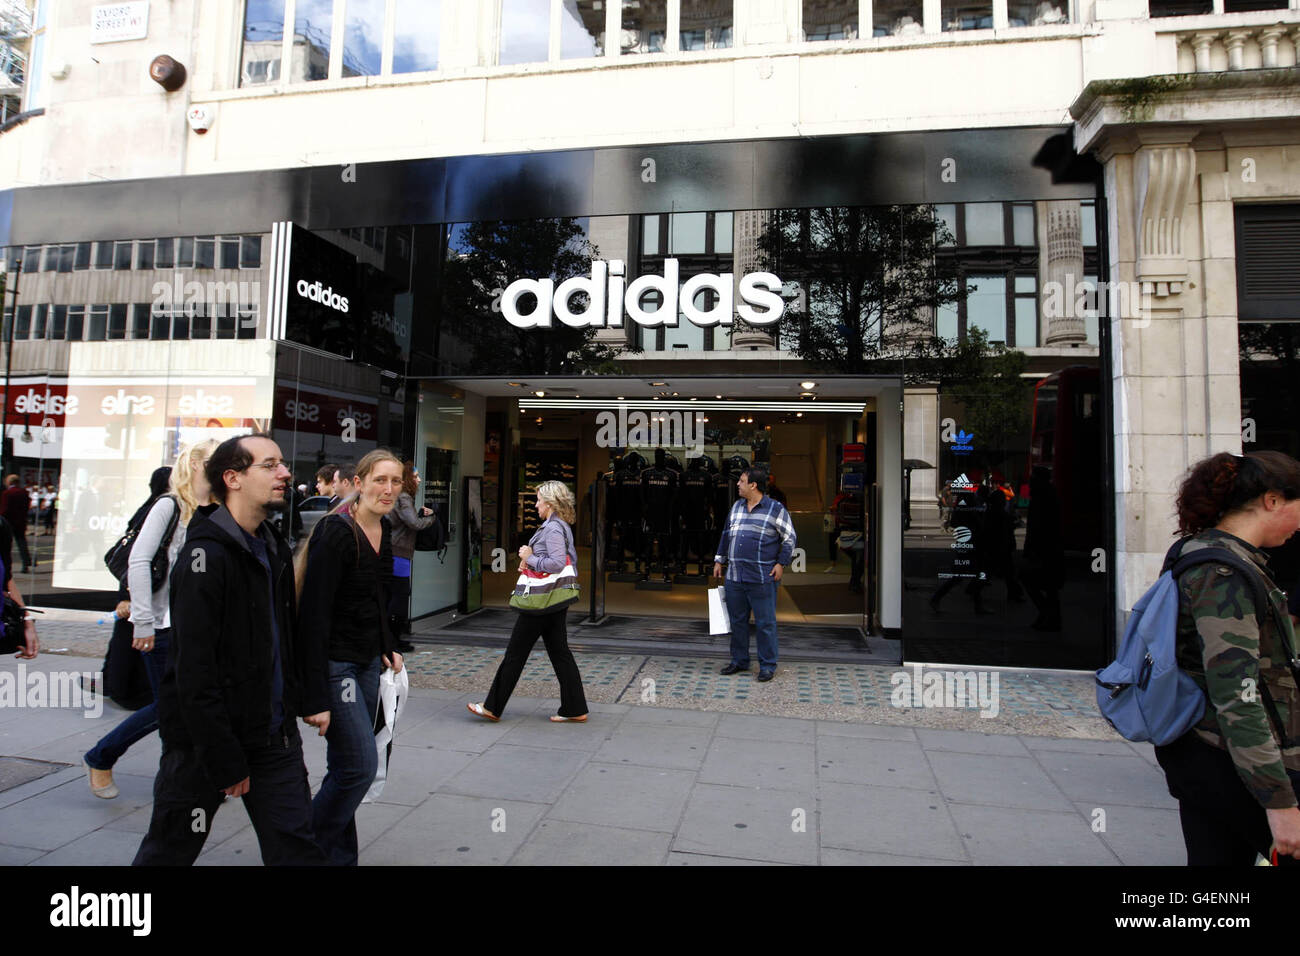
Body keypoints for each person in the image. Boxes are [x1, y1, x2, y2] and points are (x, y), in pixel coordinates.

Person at [133, 434, 328, 866]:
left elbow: (286, 636)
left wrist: (309, 698)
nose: (284, 474)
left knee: (298, 849)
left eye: (282, 464)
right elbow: (194, 670)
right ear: (233, 478)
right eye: (270, 465)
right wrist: (223, 757)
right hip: (204, 746)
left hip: (273, 739)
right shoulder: (205, 556)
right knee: (169, 851)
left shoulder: (271, 544)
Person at [1154, 450, 1300, 865]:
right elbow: (1238, 694)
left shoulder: (1199, 550)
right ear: (1272, 500)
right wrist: (1280, 804)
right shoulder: (1226, 573)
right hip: (1229, 761)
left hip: (1204, 752)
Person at [83, 445, 214, 800]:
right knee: (170, 705)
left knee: (189, 703)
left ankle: (196, 774)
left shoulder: (215, 511)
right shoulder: (169, 506)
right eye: (215, 462)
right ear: (195, 465)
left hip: (198, 628)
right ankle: (102, 755)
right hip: (162, 625)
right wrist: (142, 621)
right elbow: (139, 561)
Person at [296, 448, 406, 866]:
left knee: (345, 767)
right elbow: (313, 614)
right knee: (360, 766)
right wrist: (314, 697)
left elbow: (378, 597)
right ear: (358, 483)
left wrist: (387, 643)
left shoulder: (385, 527)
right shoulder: (337, 532)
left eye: (396, 482)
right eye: (380, 480)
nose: (389, 489)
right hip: (335, 664)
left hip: (365, 661)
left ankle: (338, 858)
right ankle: (297, 847)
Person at [468, 480, 588, 723]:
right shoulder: (558, 526)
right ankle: (575, 708)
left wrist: (529, 557)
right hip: (553, 599)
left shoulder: (553, 528)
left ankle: (492, 707)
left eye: (539, 501)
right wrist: (530, 558)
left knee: (515, 654)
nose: (536, 505)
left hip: (541, 602)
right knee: (559, 652)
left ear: (550, 503)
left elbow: (555, 563)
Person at [713, 463, 797, 682]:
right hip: (735, 577)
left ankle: (767, 665)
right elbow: (726, 534)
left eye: (742, 481)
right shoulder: (736, 507)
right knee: (737, 621)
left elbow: (789, 538)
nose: (738, 485)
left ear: (754, 485)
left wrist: (781, 563)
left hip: (762, 577)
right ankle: (739, 661)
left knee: (765, 623)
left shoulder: (775, 508)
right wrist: (719, 560)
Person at [387, 459, 433, 654]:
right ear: (407, 479)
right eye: (415, 476)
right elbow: (414, 523)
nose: (419, 479)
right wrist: (431, 518)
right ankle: (394, 641)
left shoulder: (401, 497)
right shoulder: (404, 498)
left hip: (397, 553)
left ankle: (395, 639)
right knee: (399, 597)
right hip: (398, 554)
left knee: (397, 597)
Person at [2, 476, 32, 572]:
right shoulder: (24, 492)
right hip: (20, 521)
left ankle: (6, 565)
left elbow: (4, 509)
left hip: (9, 523)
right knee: (21, 543)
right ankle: (25, 563)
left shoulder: (7, 493)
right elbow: (27, 506)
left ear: (9, 482)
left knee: (6, 545)